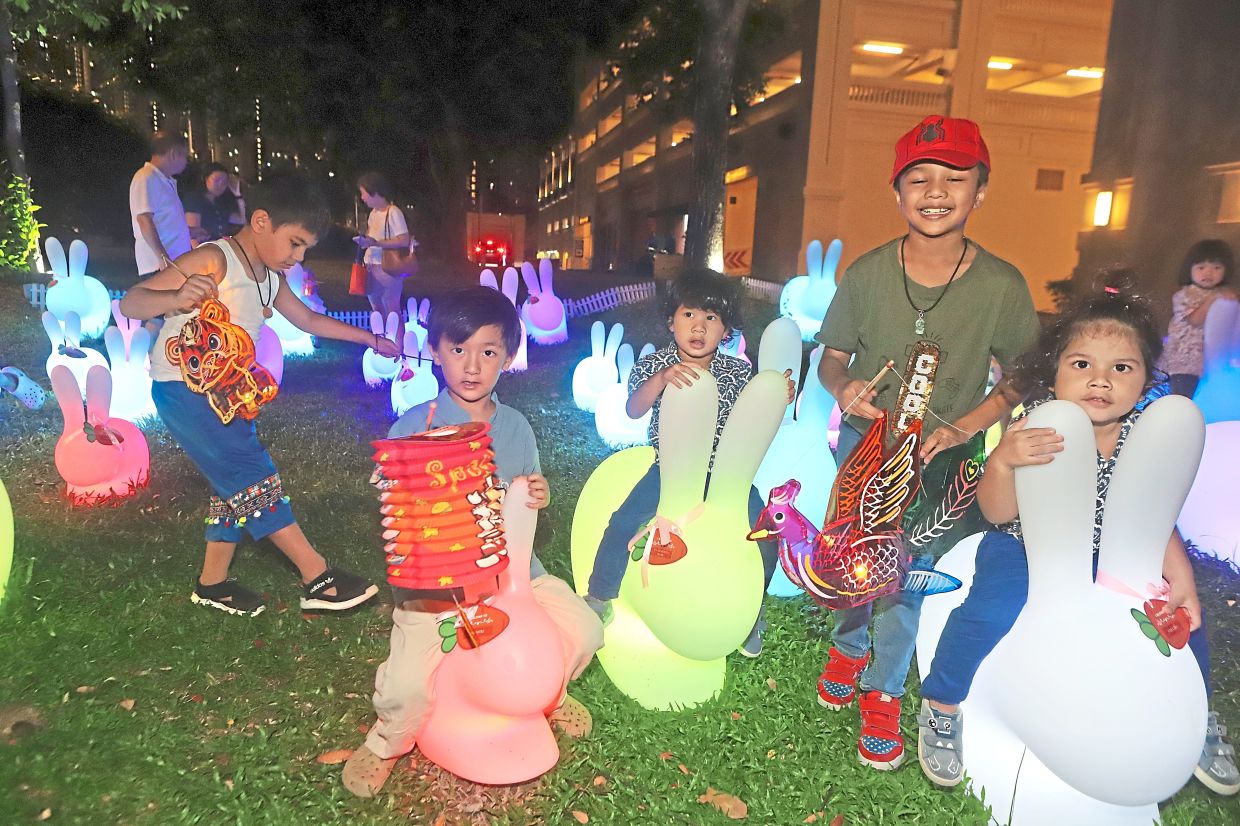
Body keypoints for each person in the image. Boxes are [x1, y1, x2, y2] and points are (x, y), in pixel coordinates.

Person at [916, 289, 1237, 797]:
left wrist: (1181, 579)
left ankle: (1197, 717)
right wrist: (1002, 461)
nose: (1101, 380)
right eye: (1083, 363)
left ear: (1148, 376)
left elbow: (1156, 517)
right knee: (992, 608)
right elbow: (998, 512)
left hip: (1114, 555)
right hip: (1024, 545)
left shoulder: (1144, 432)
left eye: (1122, 368)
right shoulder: (1041, 425)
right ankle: (943, 700)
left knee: (1181, 620)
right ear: (1055, 370)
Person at [813, 115, 1041, 770]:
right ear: (897, 191)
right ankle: (848, 646)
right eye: (919, 177)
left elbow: (1024, 373)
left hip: (941, 465)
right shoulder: (865, 275)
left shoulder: (1000, 286)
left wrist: (970, 423)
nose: (935, 191)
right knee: (856, 564)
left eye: (954, 177)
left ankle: (883, 691)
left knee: (905, 578)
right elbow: (830, 356)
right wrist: (843, 386)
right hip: (863, 453)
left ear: (980, 190)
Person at [342, 287, 604, 798]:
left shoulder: (515, 428)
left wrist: (537, 492)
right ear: (436, 350)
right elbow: (398, 510)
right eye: (458, 349)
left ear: (507, 358)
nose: (471, 366)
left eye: (488, 351)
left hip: (516, 573)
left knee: (586, 629)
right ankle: (386, 742)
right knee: (408, 684)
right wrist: (395, 489)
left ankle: (547, 694)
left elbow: (527, 488)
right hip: (438, 585)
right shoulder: (413, 427)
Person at [119, 175, 400, 617]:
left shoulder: (268, 278)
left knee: (231, 481)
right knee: (250, 471)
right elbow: (133, 302)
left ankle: (212, 584)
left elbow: (308, 319)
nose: (298, 256)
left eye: (305, 248)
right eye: (295, 243)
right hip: (183, 388)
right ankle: (316, 576)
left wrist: (369, 338)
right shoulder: (215, 258)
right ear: (262, 221)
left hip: (228, 392)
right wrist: (175, 296)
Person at [582, 270, 791, 657]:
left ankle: (751, 612)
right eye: (689, 315)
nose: (699, 327)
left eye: (711, 318)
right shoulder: (655, 365)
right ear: (670, 322)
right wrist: (661, 379)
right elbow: (632, 410)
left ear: (726, 329)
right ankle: (600, 593)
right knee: (625, 520)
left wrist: (779, 391)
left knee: (763, 533)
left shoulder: (738, 371)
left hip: (726, 474)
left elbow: (755, 414)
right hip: (672, 468)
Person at [1157, 239, 1238, 398]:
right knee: (1183, 398)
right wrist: (1212, 299)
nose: (1208, 273)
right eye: (1201, 267)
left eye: (1217, 267)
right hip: (1184, 363)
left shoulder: (1223, 294)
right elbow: (1195, 320)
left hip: (1210, 362)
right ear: (1190, 269)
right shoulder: (1184, 295)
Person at [353, 172, 414, 336]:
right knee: (377, 310)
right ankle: (381, 345)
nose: (363, 197)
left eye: (363, 193)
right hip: (370, 266)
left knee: (392, 310)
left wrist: (376, 243)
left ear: (374, 191)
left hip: (387, 267)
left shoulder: (393, 212)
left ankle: (398, 349)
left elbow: (403, 240)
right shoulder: (373, 214)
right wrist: (367, 242)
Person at [129, 130, 192, 278]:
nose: (186, 162)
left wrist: (190, 231)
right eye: (184, 155)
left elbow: (163, 221)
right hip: (159, 266)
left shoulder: (164, 180)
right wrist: (162, 257)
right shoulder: (146, 177)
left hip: (172, 264)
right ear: (173, 153)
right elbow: (144, 220)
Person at [185, 163, 246, 243]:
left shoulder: (220, 203)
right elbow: (193, 237)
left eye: (224, 182)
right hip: (202, 250)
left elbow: (241, 220)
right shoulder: (194, 200)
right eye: (216, 180)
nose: (220, 184)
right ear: (205, 179)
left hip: (217, 248)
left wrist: (237, 194)